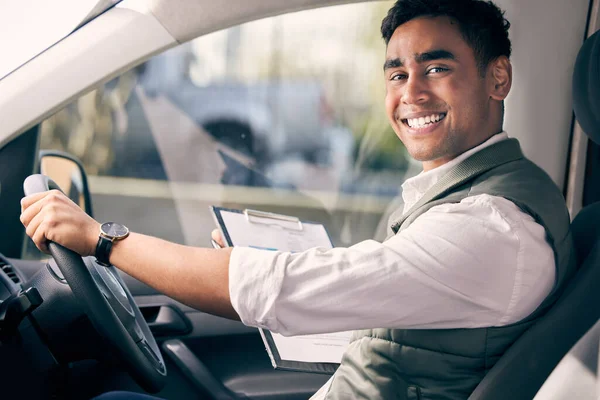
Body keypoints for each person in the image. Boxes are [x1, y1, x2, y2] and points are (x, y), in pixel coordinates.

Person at [20, 0, 576, 399]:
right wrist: (259, 261)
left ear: (497, 78)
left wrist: (102, 239)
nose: (412, 93)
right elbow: (399, 298)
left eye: (437, 68)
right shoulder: (474, 199)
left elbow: (276, 290)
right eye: (397, 73)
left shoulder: (492, 227)